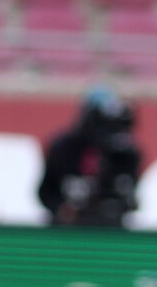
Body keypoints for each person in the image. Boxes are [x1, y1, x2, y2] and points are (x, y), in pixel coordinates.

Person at [38, 85, 141, 227]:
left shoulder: (124, 153)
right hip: (67, 230)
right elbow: (45, 191)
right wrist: (62, 209)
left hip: (110, 230)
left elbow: (129, 195)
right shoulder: (63, 148)